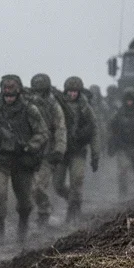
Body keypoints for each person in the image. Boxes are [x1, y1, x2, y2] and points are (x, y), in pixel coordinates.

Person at [0, 75, 48, 242]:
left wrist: (30, 146)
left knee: (24, 199)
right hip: (1, 159)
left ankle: (23, 226)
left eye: (12, 94)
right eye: (6, 94)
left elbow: (43, 133)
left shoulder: (29, 109)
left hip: (22, 160)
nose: (8, 98)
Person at [54, 76, 100, 221]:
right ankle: (73, 200)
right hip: (62, 151)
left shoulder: (85, 108)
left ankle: (74, 209)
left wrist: (95, 154)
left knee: (77, 181)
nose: (72, 94)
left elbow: (94, 131)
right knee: (58, 185)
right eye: (70, 91)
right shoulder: (58, 105)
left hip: (78, 150)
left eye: (75, 92)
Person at [27, 73, 67, 227]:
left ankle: (44, 213)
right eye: (36, 91)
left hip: (47, 153)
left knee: (38, 187)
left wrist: (59, 149)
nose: (38, 95)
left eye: (41, 91)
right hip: (30, 151)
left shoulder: (53, 106)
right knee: (29, 189)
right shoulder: (26, 103)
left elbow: (60, 128)